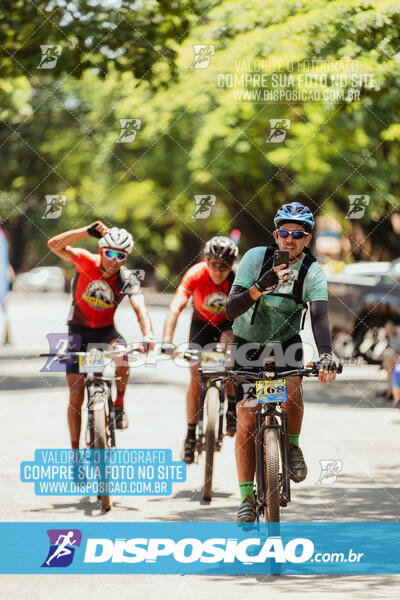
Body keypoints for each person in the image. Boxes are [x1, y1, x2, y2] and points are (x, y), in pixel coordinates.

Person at [225, 202, 338, 522]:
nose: (289, 240)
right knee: (246, 416)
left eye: (297, 235)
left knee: (292, 390)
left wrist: (327, 354)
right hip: (247, 343)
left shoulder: (312, 272)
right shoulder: (254, 259)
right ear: (275, 235)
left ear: (307, 238)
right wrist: (259, 288)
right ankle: (247, 497)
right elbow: (230, 310)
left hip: (285, 344)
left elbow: (319, 317)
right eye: (284, 233)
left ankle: (291, 445)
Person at [48, 221, 154, 449]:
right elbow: (54, 244)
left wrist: (149, 336)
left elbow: (140, 307)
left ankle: (119, 404)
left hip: (106, 331)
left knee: (123, 356)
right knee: (76, 394)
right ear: (101, 250)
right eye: (110, 253)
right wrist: (86, 231)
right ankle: (76, 453)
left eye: (121, 255)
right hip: (78, 332)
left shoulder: (127, 278)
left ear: (126, 258)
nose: (114, 260)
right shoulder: (86, 262)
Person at [161, 236, 239, 464]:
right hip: (201, 326)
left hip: (227, 325)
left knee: (231, 359)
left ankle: (232, 408)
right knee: (195, 376)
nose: (218, 270)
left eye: (223, 266)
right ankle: (190, 434)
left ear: (231, 265)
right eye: (213, 264)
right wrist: (167, 340)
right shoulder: (196, 274)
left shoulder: (236, 279)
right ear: (206, 261)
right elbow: (176, 305)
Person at [0, 226, 14, 344]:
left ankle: (7, 336)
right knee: (5, 310)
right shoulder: (2, 236)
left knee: (5, 310)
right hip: (3, 284)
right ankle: (7, 336)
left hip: (2, 285)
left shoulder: (2, 236)